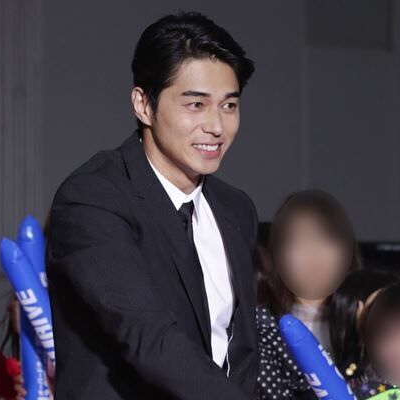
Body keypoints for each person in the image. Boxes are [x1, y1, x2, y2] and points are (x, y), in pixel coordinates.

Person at [46, 12, 258, 399]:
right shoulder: (93, 199)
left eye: (229, 106)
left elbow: (239, 355)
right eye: (196, 105)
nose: (216, 126)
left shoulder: (235, 210)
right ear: (143, 104)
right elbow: (150, 340)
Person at [255, 190, 361, 400]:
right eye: (300, 239)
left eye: (326, 238)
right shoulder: (262, 325)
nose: (314, 253)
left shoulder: (366, 313)